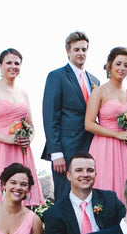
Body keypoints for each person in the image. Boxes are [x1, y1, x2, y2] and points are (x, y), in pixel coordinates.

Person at [0, 48, 44, 205]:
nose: (13, 66)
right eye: (8, 62)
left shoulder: (23, 93)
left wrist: (29, 139)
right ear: (0, 65)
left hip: (20, 149)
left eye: (17, 63)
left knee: (20, 194)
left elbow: (31, 126)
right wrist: (5, 138)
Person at [42, 31, 100, 202]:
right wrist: (56, 152)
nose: (81, 53)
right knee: (64, 196)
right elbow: (50, 116)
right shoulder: (57, 76)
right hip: (65, 149)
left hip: (91, 146)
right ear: (68, 51)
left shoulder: (94, 80)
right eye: (76, 49)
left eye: (84, 49)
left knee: (89, 195)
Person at [85, 46, 127, 197]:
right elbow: (89, 124)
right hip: (105, 147)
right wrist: (117, 135)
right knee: (106, 191)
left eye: (126, 65)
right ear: (110, 65)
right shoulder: (99, 91)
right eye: (118, 63)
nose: (122, 68)